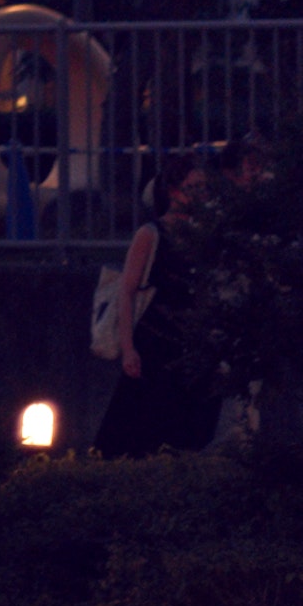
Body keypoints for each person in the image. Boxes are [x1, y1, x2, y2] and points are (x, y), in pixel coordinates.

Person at [99, 146, 218, 459]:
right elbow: (127, 290)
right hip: (156, 340)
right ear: (174, 191)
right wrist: (128, 348)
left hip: (193, 341)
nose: (200, 194)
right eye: (193, 187)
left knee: (191, 426)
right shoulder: (151, 234)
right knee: (140, 426)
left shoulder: (204, 233)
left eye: (204, 187)